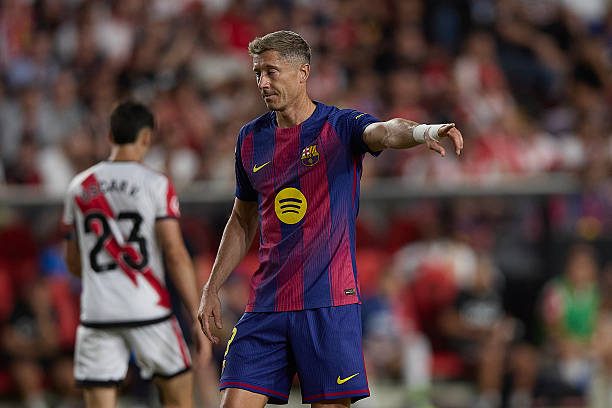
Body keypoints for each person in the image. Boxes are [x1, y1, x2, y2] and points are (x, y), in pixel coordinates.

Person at [197, 30, 463, 408]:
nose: (263, 83)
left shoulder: (340, 127)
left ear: (303, 73)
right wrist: (212, 286)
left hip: (329, 305)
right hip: (266, 304)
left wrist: (424, 131)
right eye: (257, 73)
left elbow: (386, 131)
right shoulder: (250, 139)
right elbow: (242, 219)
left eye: (271, 72)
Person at [62, 101, 208, 408]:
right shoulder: (155, 183)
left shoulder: (78, 187)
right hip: (148, 310)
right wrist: (195, 313)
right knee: (179, 398)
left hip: (98, 313)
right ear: (146, 138)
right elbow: (174, 252)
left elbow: (73, 263)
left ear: (109, 136)